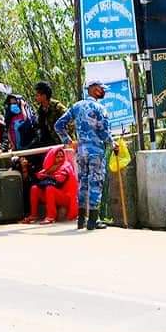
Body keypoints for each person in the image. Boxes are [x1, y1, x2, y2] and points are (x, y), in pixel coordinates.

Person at [55, 79, 118, 231]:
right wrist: (113, 143)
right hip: (96, 152)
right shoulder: (100, 108)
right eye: (102, 89)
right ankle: (93, 221)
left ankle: (81, 220)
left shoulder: (76, 106)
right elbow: (103, 132)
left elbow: (58, 125)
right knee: (95, 183)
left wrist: (68, 141)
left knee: (83, 183)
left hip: (81, 152)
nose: (104, 91)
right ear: (94, 89)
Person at [21, 147, 79, 225]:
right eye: (57, 157)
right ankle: (33, 215)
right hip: (53, 194)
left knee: (50, 188)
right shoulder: (50, 167)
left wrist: (48, 175)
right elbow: (38, 176)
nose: (60, 159)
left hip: (65, 196)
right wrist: (49, 171)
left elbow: (60, 180)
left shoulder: (66, 166)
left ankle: (51, 217)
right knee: (34, 188)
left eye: (62, 156)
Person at [33, 82, 69, 147]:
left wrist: (66, 139)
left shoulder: (57, 107)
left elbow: (70, 123)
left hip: (61, 143)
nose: (35, 98)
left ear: (44, 96)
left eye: (37, 95)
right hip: (47, 144)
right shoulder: (40, 110)